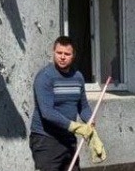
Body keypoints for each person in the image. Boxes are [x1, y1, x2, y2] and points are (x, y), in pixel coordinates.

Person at [30, 36, 107, 170]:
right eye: (59, 53)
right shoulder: (45, 77)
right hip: (46, 140)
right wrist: (75, 127)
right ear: (53, 52)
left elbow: (83, 106)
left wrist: (90, 121)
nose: (62, 57)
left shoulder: (77, 77)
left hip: (68, 139)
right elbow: (47, 112)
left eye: (67, 54)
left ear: (73, 55)